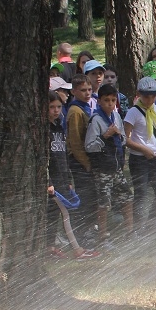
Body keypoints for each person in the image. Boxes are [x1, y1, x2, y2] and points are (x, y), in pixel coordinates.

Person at [47, 91, 99, 259]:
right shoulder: (43, 130)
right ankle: (77, 249)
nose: (56, 111)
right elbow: (42, 159)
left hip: (62, 179)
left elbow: (63, 156)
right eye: (52, 107)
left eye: (59, 107)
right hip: (51, 182)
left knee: (56, 215)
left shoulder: (59, 128)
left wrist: (68, 180)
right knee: (65, 214)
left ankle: (50, 247)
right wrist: (48, 182)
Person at [84, 84, 133, 247]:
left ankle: (130, 231)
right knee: (104, 203)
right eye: (106, 100)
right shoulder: (96, 119)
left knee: (126, 197)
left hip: (116, 166)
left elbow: (124, 138)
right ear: (99, 102)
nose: (110, 104)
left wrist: (119, 135)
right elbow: (89, 145)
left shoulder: (116, 116)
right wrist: (106, 136)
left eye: (113, 100)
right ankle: (103, 237)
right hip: (103, 169)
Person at [124, 77, 156, 224]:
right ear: (139, 94)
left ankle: (151, 222)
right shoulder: (133, 112)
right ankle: (138, 227)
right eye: (146, 96)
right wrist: (143, 150)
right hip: (139, 159)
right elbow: (126, 139)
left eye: (153, 96)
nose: (150, 99)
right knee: (141, 194)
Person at [65, 74, 96, 241]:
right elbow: (76, 142)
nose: (87, 93)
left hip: (86, 160)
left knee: (91, 196)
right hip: (79, 162)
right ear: (74, 91)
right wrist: (86, 163)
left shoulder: (85, 107)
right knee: (85, 197)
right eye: (83, 90)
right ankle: (81, 232)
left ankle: (89, 228)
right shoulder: (75, 111)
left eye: (89, 89)